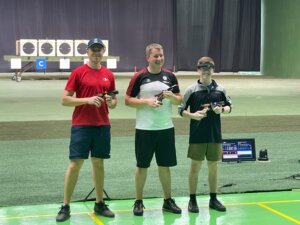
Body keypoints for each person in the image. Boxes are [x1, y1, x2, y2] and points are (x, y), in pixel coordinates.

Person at [56, 38, 117, 222]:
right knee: (75, 165)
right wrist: (87, 100)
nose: (96, 53)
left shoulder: (109, 75)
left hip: (102, 125)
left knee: (99, 163)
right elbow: (65, 100)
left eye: (99, 49)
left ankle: (99, 204)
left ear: (103, 51)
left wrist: (109, 102)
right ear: (87, 52)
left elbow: (114, 103)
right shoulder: (78, 73)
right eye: (93, 49)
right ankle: (65, 206)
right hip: (81, 126)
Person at [125, 43, 182, 216]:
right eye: (155, 56)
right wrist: (146, 102)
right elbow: (127, 100)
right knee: (142, 166)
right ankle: (138, 202)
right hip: (144, 130)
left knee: (165, 166)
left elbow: (179, 100)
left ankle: (167, 201)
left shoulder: (170, 76)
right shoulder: (139, 77)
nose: (159, 59)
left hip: (165, 128)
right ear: (148, 58)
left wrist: (172, 97)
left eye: (161, 55)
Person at [178, 56, 232, 213]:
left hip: (214, 135)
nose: (206, 71)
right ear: (198, 70)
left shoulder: (220, 90)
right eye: (203, 68)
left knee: (213, 167)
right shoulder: (191, 90)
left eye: (209, 68)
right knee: (195, 167)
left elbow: (229, 107)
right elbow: (181, 110)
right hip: (197, 135)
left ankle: (213, 199)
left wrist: (222, 110)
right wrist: (193, 115)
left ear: (213, 70)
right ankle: (192, 199)